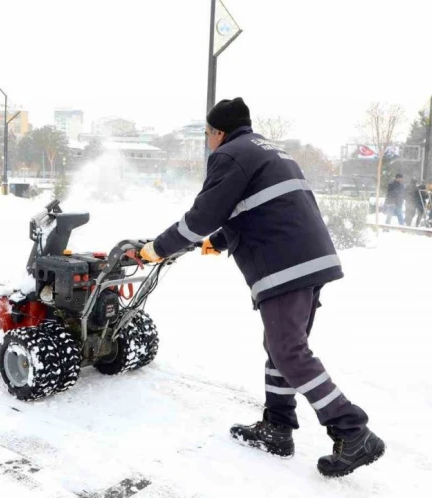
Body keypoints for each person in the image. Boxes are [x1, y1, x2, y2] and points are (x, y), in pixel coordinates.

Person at [140, 98, 384, 478]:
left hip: (284, 264)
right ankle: (278, 427)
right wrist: (219, 242)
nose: (208, 142)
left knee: (288, 351)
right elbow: (257, 207)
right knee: (280, 346)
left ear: (218, 132)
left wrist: (157, 248)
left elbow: (202, 215)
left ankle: (352, 430)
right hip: (309, 257)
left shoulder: (229, 155)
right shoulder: (270, 151)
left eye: (207, 134)